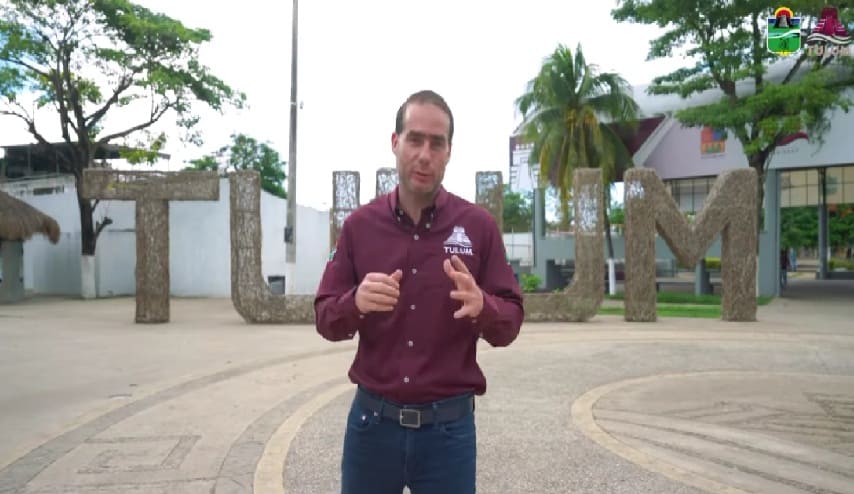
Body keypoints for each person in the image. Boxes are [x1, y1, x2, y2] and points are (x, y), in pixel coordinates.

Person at [314, 89, 524, 494]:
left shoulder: (478, 228)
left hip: (449, 435)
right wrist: (354, 303)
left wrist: (484, 306)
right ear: (395, 143)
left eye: (436, 143)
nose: (424, 155)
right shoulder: (359, 227)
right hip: (372, 429)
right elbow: (325, 318)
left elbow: (510, 322)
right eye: (414, 139)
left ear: (449, 152)